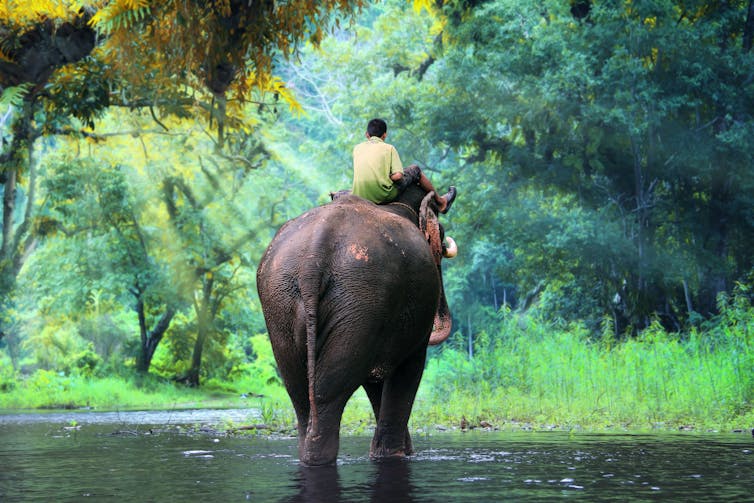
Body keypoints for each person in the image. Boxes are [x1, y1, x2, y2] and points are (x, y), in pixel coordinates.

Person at [352, 118, 456, 213]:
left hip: (360, 195)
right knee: (416, 169)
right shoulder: (389, 148)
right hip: (383, 195)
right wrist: (387, 176)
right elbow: (398, 176)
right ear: (384, 135)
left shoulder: (357, 148)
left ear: (367, 135)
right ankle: (441, 202)